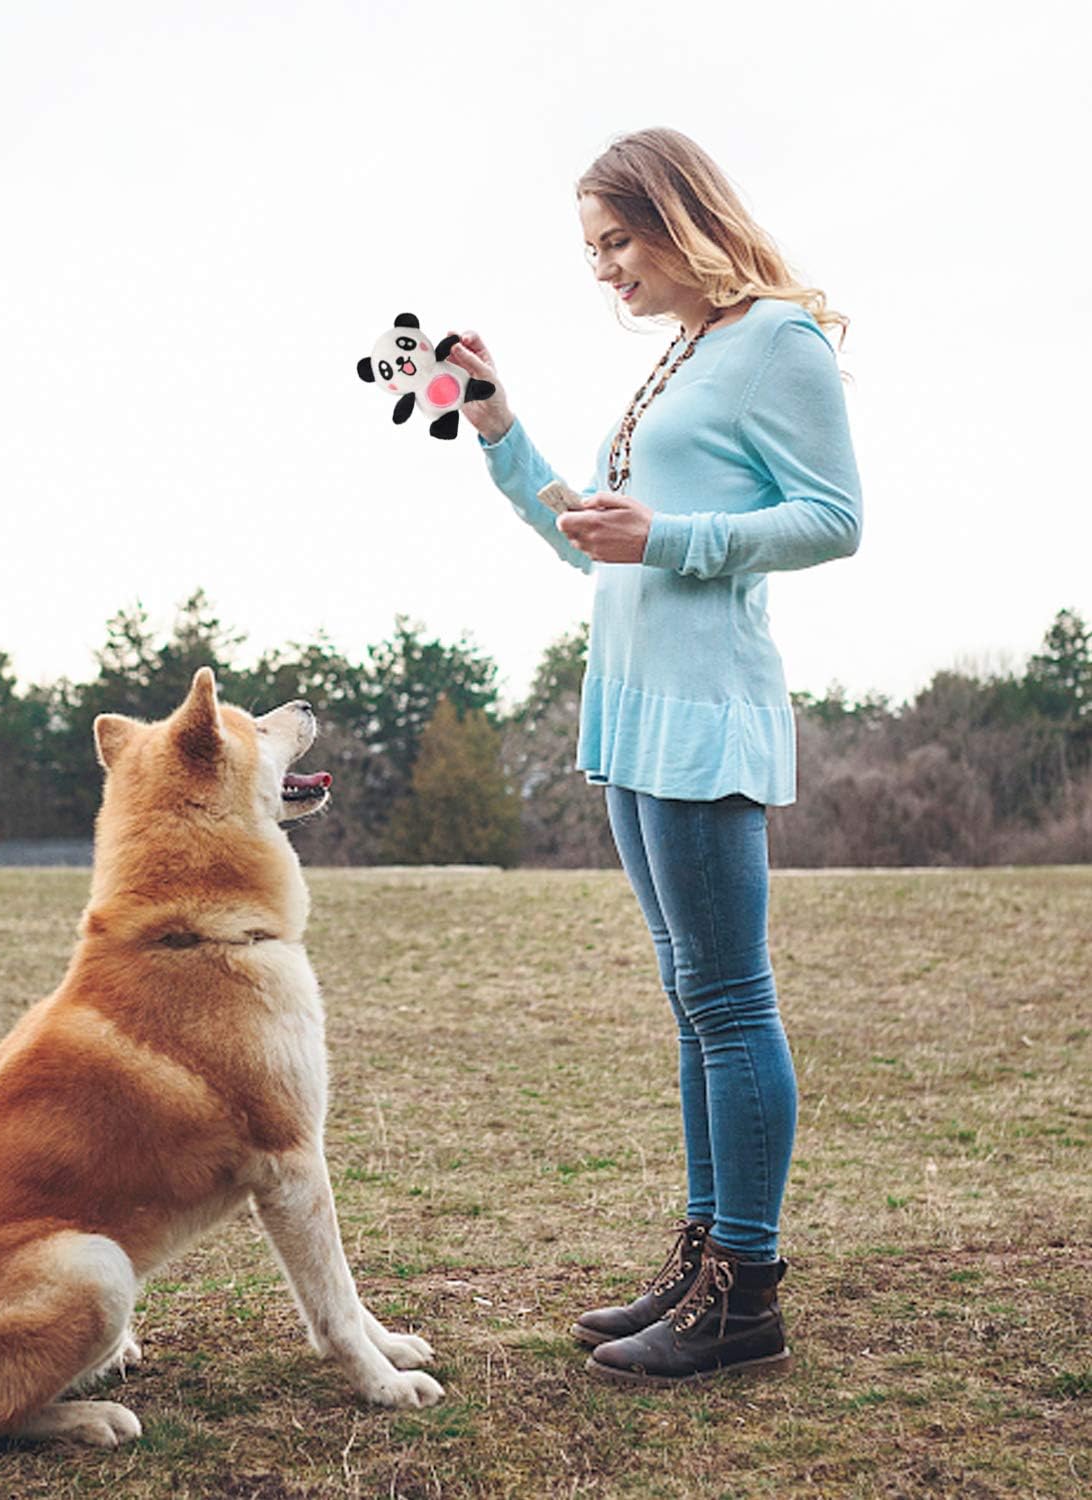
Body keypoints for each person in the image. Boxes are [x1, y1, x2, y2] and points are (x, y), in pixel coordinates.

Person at [448, 127, 862, 1387]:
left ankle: (747, 1293)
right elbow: (599, 543)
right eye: (591, 251)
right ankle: (703, 1265)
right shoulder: (687, 356)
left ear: (682, 219)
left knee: (731, 1002)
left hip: (705, 714)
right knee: (696, 1005)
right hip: (632, 715)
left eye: (616, 242)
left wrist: (673, 537)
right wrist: (500, 428)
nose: (604, 270)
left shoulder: (776, 343)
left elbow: (835, 520)